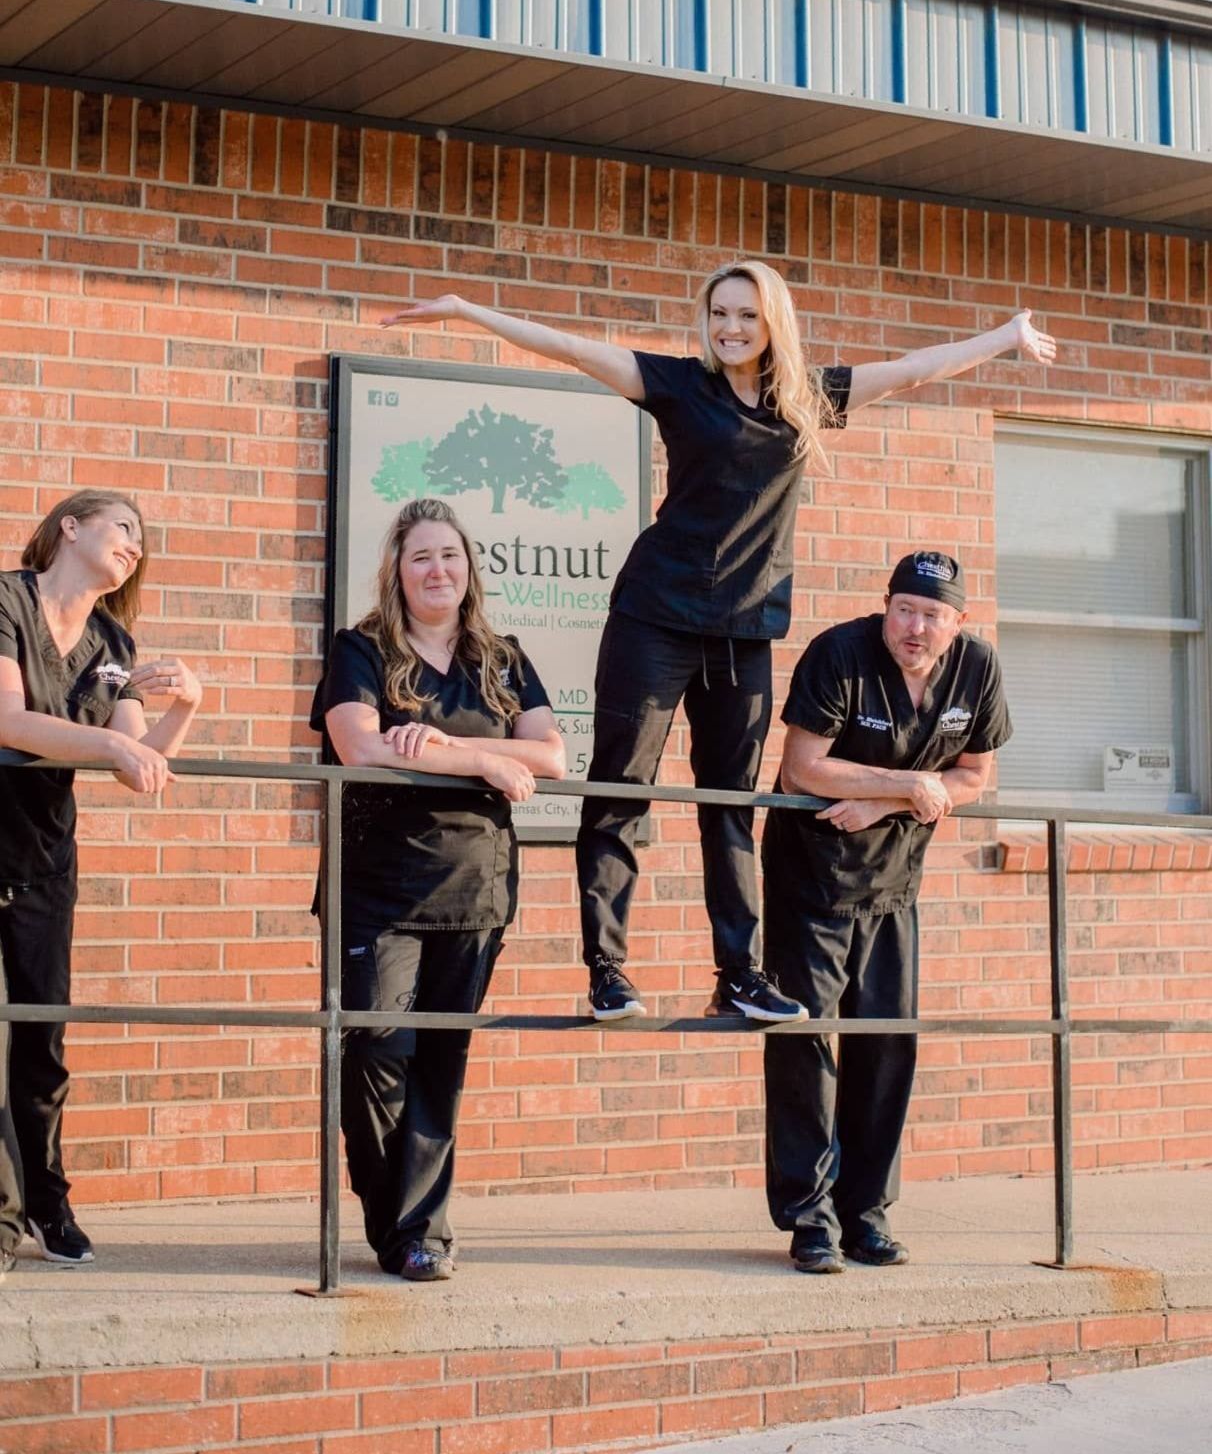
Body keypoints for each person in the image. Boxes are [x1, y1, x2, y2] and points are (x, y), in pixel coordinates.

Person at [381, 272, 1054, 1025]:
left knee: (731, 803)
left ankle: (739, 972)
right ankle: (609, 970)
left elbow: (913, 369)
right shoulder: (679, 385)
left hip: (745, 632)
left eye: (747, 315)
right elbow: (572, 349)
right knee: (620, 790)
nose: (732, 327)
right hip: (655, 616)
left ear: (773, 323)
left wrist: (1005, 337)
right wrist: (467, 308)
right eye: (720, 313)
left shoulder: (807, 399)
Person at [312, 498, 564, 1282]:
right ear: (397, 570)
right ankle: (399, 1225)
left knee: (441, 1061)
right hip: (379, 889)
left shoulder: (503, 657)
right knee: (376, 1053)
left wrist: (440, 745)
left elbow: (551, 754)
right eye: (421, 556)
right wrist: (490, 760)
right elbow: (357, 745)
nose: (437, 570)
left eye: (449, 556)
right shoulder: (361, 649)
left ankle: (422, 1233)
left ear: (469, 570)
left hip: (476, 888)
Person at [762, 551, 1013, 1275]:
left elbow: (973, 775)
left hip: (896, 881)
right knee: (805, 1047)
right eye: (904, 608)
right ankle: (809, 1219)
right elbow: (802, 768)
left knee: (886, 1047)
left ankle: (864, 1214)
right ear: (886, 607)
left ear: (958, 622)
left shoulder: (978, 670)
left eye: (933, 615)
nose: (915, 626)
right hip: (811, 881)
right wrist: (907, 782)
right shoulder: (840, 654)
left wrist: (884, 800)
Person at [0, 491, 202, 1278]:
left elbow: (135, 759)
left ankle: (49, 1207)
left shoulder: (114, 640)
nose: (134, 544)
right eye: (124, 527)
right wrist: (113, 748)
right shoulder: (7, 599)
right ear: (71, 528)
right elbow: (8, 719)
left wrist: (185, 706)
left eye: (142, 540)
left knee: (43, 1048)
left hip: (44, 862)